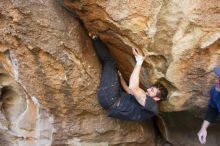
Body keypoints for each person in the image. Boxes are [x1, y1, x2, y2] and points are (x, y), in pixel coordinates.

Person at [90, 34, 168, 121]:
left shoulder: (152, 106)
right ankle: (95, 39)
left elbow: (133, 87)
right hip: (112, 99)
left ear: (157, 98)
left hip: (110, 98)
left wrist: (139, 61)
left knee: (110, 62)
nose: (149, 89)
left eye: (152, 90)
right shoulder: (144, 102)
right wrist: (120, 77)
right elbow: (128, 89)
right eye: (151, 88)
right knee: (113, 66)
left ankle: (94, 37)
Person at [197, 67, 220, 144]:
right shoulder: (215, 90)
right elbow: (213, 109)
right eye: (218, 78)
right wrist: (203, 128)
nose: (216, 81)